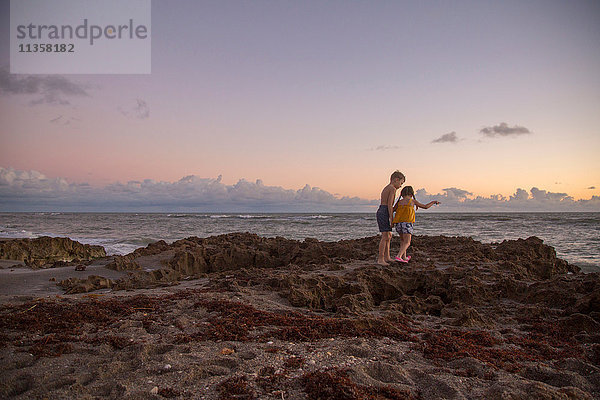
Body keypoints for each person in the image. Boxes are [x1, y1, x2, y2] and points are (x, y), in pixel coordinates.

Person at [392, 186, 440, 263]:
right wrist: (433, 202)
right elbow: (425, 207)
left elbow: (392, 210)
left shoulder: (399, 202)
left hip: (398, 223)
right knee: (407, 242)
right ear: (411, 194)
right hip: (407, 223)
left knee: (403, 240)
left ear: (402, 194)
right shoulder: (412, 201)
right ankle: (398, 256)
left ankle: (404, 257)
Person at [376, 170, 405, 266]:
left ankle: (387, 257)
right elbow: (389, 205)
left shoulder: (388, 188)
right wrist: (392, 219)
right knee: (385, 236)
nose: (401, 186)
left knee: (389, 236)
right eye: (401, 183)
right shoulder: (392, 189)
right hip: (384, 211)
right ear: (396, 180)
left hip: (382, 210)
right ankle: (380, 259)